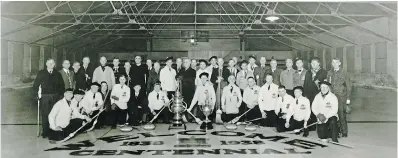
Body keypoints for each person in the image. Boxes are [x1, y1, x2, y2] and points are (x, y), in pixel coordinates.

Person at [33, 58, 65, 138]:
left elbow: (62, 86)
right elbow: (36, 85)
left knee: (54, 113)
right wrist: (36, 95)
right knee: (45, 114)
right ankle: (45, 132)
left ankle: (53, 130)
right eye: (49, 63)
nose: (51, 64)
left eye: (52, 63)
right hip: (45, 97)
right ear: (46, 64)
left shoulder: (57, 74)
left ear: (54, 64)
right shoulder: (41, 73)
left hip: (55, 96)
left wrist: (61, 95)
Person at [326, 58, 352, 138]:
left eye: (336, 62)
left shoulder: (344, 73)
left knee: (341, 114)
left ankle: (344, 132)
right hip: (332, 96)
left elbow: (349, 86)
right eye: (333, 62)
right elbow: (328, 84)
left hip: (341, 96)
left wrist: (348, 98)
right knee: (333, 114)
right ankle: (336, 131)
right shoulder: (330, 72)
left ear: (340, 63)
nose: (335, 64)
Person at [303, 57, 327, 131]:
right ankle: (312, 126)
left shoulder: (323, 72)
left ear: (319, 63)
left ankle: (321, 125)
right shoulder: (308, 72)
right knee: (311, 109)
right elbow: (305, 84)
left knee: (320, 109)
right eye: (312, 63)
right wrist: (305, 94)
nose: (312, 65)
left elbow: (325, 84)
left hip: (319, 94)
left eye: (314, 63)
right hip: (309, 94)